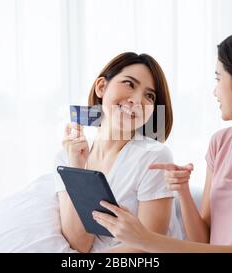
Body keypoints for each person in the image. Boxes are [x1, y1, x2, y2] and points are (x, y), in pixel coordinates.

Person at [92, 25, 232, 252]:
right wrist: (182, 190)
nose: (215, 91)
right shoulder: (221, 143)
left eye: (218, 78)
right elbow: (203, 241)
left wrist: (143, 239)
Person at [55, 52, 183, 253]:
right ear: (101, 87)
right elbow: (78, 243)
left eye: (149, 95)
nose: (137, 100)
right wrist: (77, 169)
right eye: (129, 84)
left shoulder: (154, 156)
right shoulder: (67, 157)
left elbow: (146, 248)